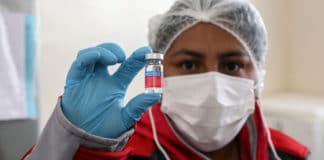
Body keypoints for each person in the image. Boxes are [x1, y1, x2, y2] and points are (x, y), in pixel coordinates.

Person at [22, 0, 310, 159]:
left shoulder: (288, 155)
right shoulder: (122, 154)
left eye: (232, 66)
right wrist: (71, 142)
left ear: (257, 75)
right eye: (188, 64)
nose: (213, 86)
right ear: (160, 73)